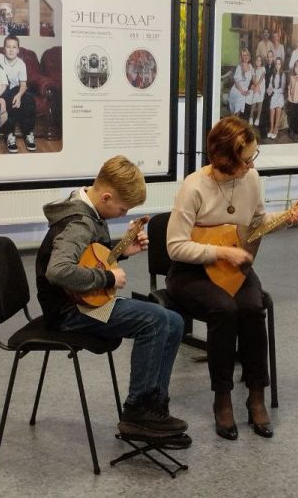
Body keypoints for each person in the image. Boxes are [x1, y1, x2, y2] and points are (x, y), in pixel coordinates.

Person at [165, 116, 298, 440]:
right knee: (224, 310)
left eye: (253, 158)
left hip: (234, 265)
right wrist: (220, 254)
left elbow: (257, 222)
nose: (251, 165)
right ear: (226, 159)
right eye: (246, 159)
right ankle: (223, 398)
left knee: (251, 309)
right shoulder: (193, 187)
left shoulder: (252, 179)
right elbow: (175, 247)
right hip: (191, 271)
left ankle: (255, 394)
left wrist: (288, 218)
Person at [35, 156, 189, 442]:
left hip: (82, 301)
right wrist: (108, 278)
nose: (123, 213)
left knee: (176, 321)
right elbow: (58, 271)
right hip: (71, 312)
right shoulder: (79, 222)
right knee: (155, 320)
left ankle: (155, 407)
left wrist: (120, 253)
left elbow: (88, 258)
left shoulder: (90, 210)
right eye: (123, 207)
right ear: (106, 196)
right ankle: (137, 412)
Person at [0, 35, 37, 153]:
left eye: (14, 47)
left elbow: (23, 84)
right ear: (4, 48)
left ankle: (28, 133)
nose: (11, 49)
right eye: (8, 46)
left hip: (17, 89)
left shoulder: (21, 63)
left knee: (30, 100)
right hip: (3, 90)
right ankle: (10, 135)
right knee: (8, 101)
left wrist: (19, 96)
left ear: (18, 50)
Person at [228, 49, 253, 117]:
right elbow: (236, 82)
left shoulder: (251, 67)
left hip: (244, 91)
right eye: (243, 55)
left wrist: (250, 89)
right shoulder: (239, 67)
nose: (245, 57)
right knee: (234, 113)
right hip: (237, 90)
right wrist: (242, 92)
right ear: (241, 57)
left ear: (249, 55)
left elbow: (253, 80)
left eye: (246, 55)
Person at [266, 58, 286, 139]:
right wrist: (270, 89)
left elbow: (283, 88)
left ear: (281, 65)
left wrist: (275, 90)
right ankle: (271, 127)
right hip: (274, 95)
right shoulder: (273, 75)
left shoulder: (283, 74)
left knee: (278, 108)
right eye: (276, 64)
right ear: (275, 65)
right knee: (272, 108)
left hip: (280, 95)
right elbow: (270, 85)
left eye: (279, 64)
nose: (278, 65)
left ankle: (276, 128)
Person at [249, 55, 266, 127]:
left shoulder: (263, 68)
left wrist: (258, 86)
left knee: (260, 102)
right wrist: (256, 86)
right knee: (254, 101)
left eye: (259, 60)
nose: (258, 61)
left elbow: (262, 78)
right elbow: (253, 79)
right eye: (257, 60)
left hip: (261, 86)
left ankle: (258, 118)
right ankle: (251, 116)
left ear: (261, 62)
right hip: (256, 86)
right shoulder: (253, 69)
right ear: (255, 61)